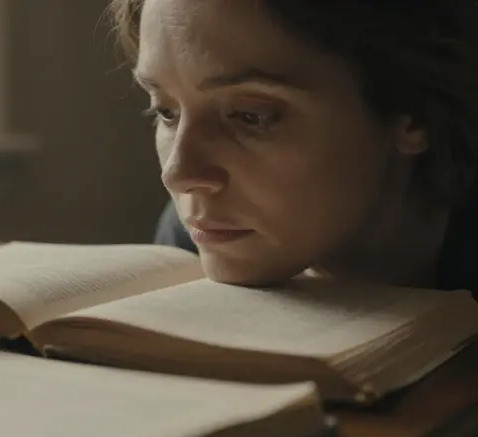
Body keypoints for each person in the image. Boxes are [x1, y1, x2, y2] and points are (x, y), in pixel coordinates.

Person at [108, 0, 478, 295]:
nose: (179, 174)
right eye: (166, 111)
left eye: (252, 116)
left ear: (414, 114)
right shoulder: (189, 235)